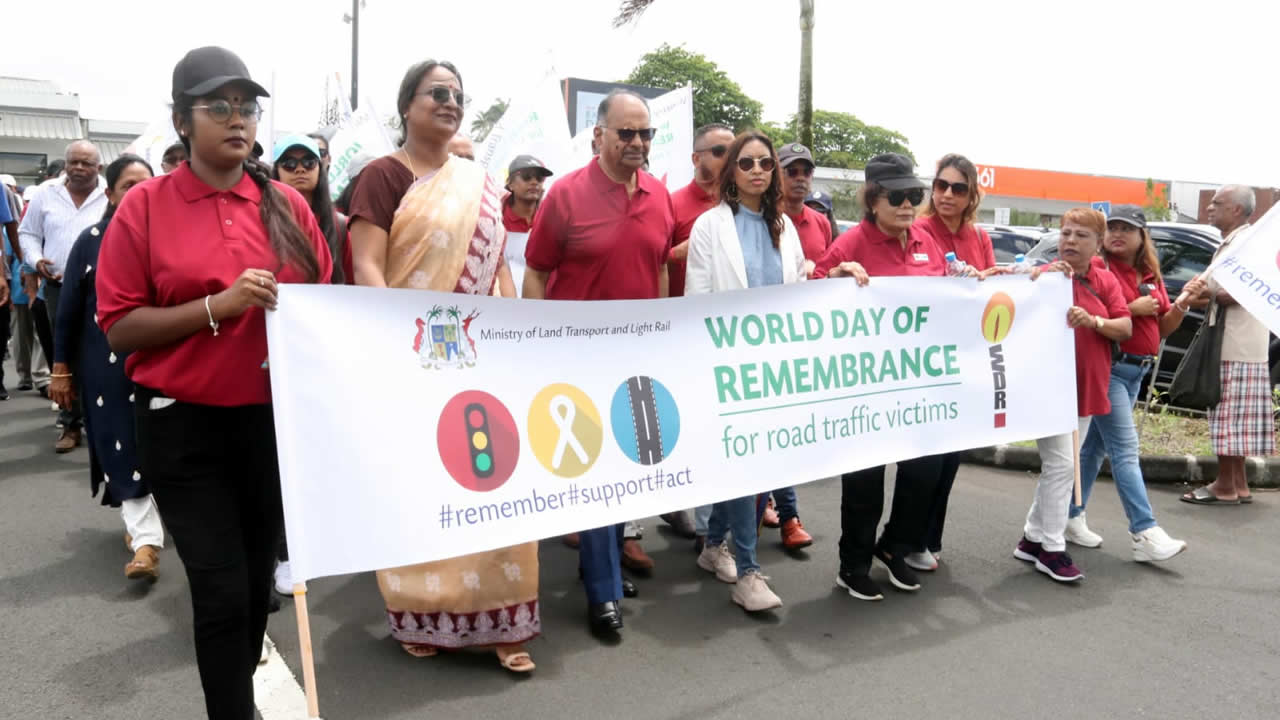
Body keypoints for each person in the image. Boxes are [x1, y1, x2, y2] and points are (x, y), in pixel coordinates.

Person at [95, 46, 332, 718]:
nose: (237, 120)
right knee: (222, 590)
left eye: (247, 108)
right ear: (180, 120)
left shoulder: (286, 205)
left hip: (269, 425)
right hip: (182, 425)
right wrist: (216, 308)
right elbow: (118, 327)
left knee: (257, 586)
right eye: (218, 107)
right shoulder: (143, 208)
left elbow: (324, 306)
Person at [348, 59, 536, 673]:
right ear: (408, 106)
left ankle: (503, 620)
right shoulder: (382, 176)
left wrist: (511, 328)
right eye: (438, 93)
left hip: (481, 351)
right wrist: (399, 339)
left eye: (459, 94)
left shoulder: (477, 180)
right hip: (415, 353)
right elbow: (367, 265)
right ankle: (420, 612)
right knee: (423, 481)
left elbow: (498, 266)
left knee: (494, 475)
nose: (451, 102)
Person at [524, 89, 674, 635]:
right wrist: (537, 343)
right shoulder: (564, 196)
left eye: (645, 133)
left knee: (627, 467)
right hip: (575, 356)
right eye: (625, 133)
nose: (637, 143)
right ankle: (604, 592)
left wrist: (658, 332)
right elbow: (536, 272)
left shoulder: (659, 196)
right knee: (594, 470)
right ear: (599, 135)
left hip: (636, 357)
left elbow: (658, 267)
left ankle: (599, 566)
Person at [812, 152, 945, 601]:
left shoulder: (925, 240)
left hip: (916, 382)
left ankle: (894, 547)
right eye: (897, 196)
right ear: (872, 200)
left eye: (915, 195)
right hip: (864, 384)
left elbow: (952, 292)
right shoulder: (851, 243)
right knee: (865, 480)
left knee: (923, 470)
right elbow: (808, 292)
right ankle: (853, 565)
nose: (908, 204)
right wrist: (834, 274)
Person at [686, 130, 806, 611]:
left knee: (758, 464)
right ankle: (748, 572)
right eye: (746, 163)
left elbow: (798, 290)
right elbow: (696, 302)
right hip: (727, 365)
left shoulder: (787, 228)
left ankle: (714, 546)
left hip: (775, 366)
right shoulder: (709, 227)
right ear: (731, 172)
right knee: (744, 465)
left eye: (764, 162)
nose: (757, 170)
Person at [50, 154, 166, 579]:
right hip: (106, 362)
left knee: (166, 444)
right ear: (111, 193)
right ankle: (147, 544)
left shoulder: (173, 237)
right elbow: (67, 314)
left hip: (166, 359)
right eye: (128, 186)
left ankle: (156, 527)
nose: (138, 193)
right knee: (121, 442)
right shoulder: (91, 240)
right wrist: (61, 369)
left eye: (145, 184)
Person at [1065, 204, 1199, 559]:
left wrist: (1181, 304)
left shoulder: (1149, 273)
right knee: (1125, 450)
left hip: (1137, 371)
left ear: (1143, 237)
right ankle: (1144, 533)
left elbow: (1162, 328)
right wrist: (1132, 306)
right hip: (1110, 366)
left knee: (1093, 450)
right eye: (1113, 228)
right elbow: (1095, 307)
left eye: (1127, 229)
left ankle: (1069, 515)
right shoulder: (1098, 267)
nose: (1117, 235)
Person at [1013, 208, 1132, 583]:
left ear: (1097, 244)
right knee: (1063, 465)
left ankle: (1032, 538)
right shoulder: (1045, 277)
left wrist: (1093, 321)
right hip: (1047, 388)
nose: (1070, 241)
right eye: (1065, 233)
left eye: (1081, 235)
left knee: (1063, 465)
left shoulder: (1106, 281)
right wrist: (1040, 277)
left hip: (1086, 386)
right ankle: (1052, 548)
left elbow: (1125, 326)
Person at [907, 153, 997, 571]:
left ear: (971, 195)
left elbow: (993, 288)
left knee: (950, 459)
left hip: (966, 363)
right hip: (925, 362)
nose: (946, 194)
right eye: (940, 185)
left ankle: (928, 537)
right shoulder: (917, 230)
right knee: (924, 458)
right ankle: (905, 539)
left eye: (957, 188)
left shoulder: (979, 238)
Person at [1183, 185, 1273, 504]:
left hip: (1234, 342)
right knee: (1237, 419)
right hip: (1244, 343)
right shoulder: (1240, 242)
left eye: (1217, 204)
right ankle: (1238, 483)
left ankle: (1224, 486)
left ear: (1236, 210)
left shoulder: (1245, 244)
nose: (1209, 208)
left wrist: (1203, 295)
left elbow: (1231, 293)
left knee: (1227, 418)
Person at [759, 141, 829, 551]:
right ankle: (788, 516)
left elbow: (828, 275)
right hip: (762, 342)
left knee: (783, 432)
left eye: (806, 171)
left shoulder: (820, 224)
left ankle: (774, 504)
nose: (800, 179)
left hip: (804, 343)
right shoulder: (759, 220)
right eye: (792, 171)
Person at [668, 122, 735, 547]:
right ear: (696, 158)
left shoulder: (739, 207)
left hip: (722, 340)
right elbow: (658, 258)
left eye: (734, 151)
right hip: (676, 333)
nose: (730, 159)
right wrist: (702, 241)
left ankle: (713, 528)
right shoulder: (671, 204)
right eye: (720, 150)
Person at [18, 140, 108, 453]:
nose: (79, 168)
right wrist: (35, 258)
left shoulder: (109, 195)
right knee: (64, 354)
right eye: (74, 162)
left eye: (87, 163)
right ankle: (70, 425)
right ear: (65, 164)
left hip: (103, 290)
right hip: (58, 288)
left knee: (101, 352)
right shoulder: (45, 193)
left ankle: (102, 423)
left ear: (99, 167)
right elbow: (27, 233)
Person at [272, 134, 351, 284]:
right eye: (289, 163)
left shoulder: (339, 225)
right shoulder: (261, 219)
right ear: (277, 170)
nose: (300, 169)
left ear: (319, 168)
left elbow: (353, 284)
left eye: (309, 162)